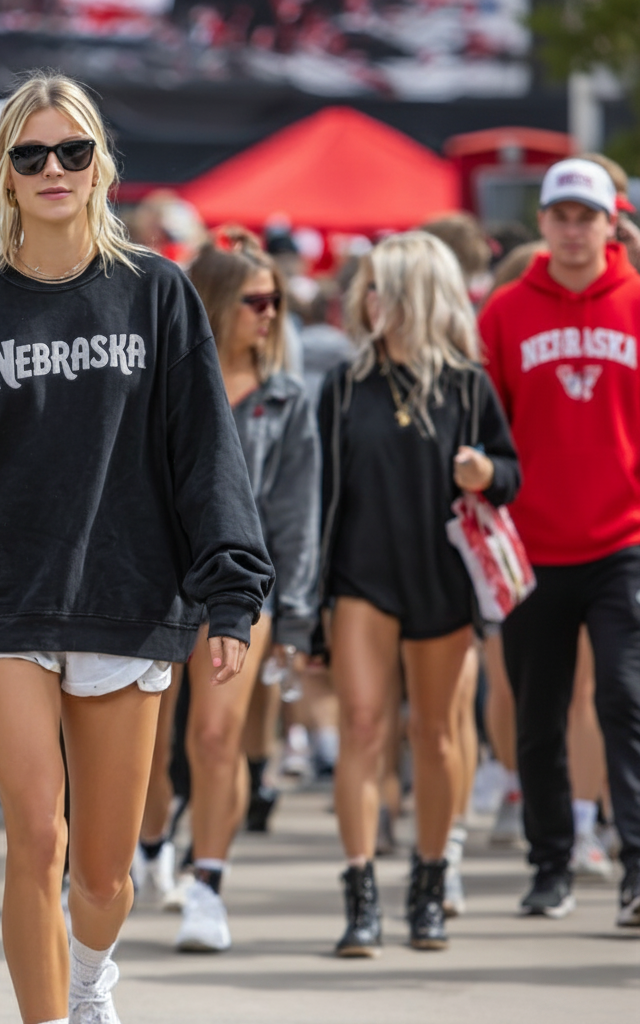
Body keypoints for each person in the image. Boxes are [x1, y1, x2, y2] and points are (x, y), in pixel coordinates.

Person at [0, 73, 273, 1024]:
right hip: (1, 598)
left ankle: (90, 980)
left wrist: (230, 590)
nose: (54, 170)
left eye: (73, 151)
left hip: (128, 597)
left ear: (101, 166)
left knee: (102, 871)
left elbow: (204, 452)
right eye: (31, 155)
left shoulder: (159, 295)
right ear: (4, 177)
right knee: (34, 838)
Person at [319, 231, 520, 955]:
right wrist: (308, 607)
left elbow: (511, 470)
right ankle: (361, 894)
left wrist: (485, 473)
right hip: (360, 577)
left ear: (420, 295)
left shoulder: (468, 385)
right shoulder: (343, 386)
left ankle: (431, 887)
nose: (371, 300)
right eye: (368, 287)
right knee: (363, 729)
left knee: (434, 735)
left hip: (441, 577)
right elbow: (321, 500)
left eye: (386, 287)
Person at [479, 157, 640, 927]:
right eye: (562, 216)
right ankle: (550, 868)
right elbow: (487, 427)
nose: (575, 230)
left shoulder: (638, 302)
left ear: (613, 223)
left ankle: (635, 866)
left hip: (625, 542)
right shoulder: (506, 311)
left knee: (624, 697)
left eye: (589, 216)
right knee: (537, 714)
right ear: (544, 222)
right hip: (531, 546)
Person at [171, 239, 319, 952]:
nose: (270, 316)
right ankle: (142, 849)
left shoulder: (289, 397)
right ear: (217, 303)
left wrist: (296, 618)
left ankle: (208, 882)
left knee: (215, 736)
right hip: (158, 580)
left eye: (277, 302)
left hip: (243, 587)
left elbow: (297, 516)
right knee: (142, 740)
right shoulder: (166, 380)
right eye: (256, 302)